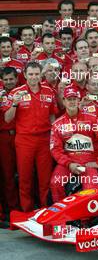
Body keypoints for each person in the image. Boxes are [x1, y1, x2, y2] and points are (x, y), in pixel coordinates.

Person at [4, 61, 58, 212]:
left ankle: (45, 211)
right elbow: (7, 119)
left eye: (36, 74)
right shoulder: (17, 93)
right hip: (24, 140)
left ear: (40, 75)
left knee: (45, 179)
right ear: (25, 75)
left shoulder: (49, 91)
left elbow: (53, 116)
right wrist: (14, 104)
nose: (34, 77)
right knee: (25, 178)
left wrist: (54, 137)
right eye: (31, 74)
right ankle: (27, 211)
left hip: (44, 139)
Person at [50, 85, 98, 202]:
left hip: (88, 163)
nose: (72, 102)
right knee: (55, 183)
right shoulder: (57, 124)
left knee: (90, 190)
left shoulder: (92, 119)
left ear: (79, 100)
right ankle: (61, 218)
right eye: (69, 99)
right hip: (68, 163)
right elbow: (55, 149)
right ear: (64, 101)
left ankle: (86, 220)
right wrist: (69, 164)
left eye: (74, 99)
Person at [0, 67, 19, 220]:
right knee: (7, 175)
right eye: (5, 79)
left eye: (11, 79)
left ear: (17, 78)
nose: (8, 82)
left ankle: (26, 207)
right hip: (4, 137)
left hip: (21, 136)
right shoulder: (1, 95)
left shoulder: (23, 92)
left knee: (25, 173)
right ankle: (11, 210)